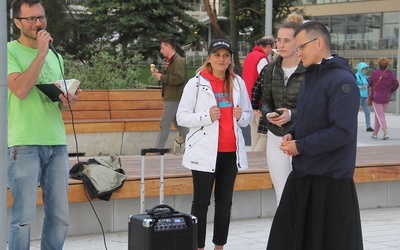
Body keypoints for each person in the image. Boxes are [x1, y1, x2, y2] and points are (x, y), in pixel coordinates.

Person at [267, 21, 363, 250]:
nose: (298, 52)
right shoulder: (311, 76)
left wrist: (301, 146)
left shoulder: (342, 81)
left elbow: (342, 132)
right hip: (304, 175)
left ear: (319, 43)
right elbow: (309, 117)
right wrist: (292, 134)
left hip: (330, 182)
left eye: (302, 46)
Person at [7, 0, 80, 249]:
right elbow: (20, 90)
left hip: (56, 142)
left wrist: (66, 99)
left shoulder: (54, 55)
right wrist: (40, 53)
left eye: (42, 17)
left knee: (60, 217)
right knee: (23, 219)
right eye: (31, 19)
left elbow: (55, 102)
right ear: (17, 22)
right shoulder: (9, 52)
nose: (39, 23)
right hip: (24, 143)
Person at [176, 39, 253, 250]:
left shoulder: (238, 83)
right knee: (201, 203)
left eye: (226, 55)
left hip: (231, 153)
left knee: (225, 203)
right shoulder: (196, 83)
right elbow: (181, 117)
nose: (221, 59)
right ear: (209, 58)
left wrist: (240, 116)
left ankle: (219, 247)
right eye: (217, 55)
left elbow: (247, 116)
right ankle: (198, 247)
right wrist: (206, 116)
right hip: (204, 152)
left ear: (230, 59)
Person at [260, 12, 305, 206]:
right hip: (275, 136)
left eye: (287, 40)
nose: (281, 44)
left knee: (301, 193)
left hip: (301, 136)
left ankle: (303, 235)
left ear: (298, 43)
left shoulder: (308, 68)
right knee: (282, 193)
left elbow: (315, 106)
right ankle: (284, 236)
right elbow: (265, 101)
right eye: (279, 40)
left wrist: (292, 114)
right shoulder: (271, 68)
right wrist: (269, 114)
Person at [151, 37, 189, 149]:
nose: (161, 50)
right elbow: (173, 76)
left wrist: (161, 77)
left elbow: (179, 78)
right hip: (173, 96)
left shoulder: (178, 61)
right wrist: (160, 74)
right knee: (179, 123)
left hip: (174, 97)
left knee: (164, 123)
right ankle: (194, 145)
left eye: (162, 48)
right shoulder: (172, 61)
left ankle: (158, 149)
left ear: (169, 47)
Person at [242, 35, 275, 151]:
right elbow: (264, 80)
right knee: (264, 135)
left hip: (248, 101)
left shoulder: (249, 56)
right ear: (268, 46)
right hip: (259, 102)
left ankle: (252, 163)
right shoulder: (261, 59)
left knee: (254, 135)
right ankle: (258, 160)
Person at [368, 57, 399, 140]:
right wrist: (390, 91)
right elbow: (396, 84)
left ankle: (385, 133)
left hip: (376, 97)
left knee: (380, 115)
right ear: (387, 65)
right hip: (386, 97)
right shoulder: (391, 74)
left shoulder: (374, 73)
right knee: (378, 115)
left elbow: (369, 83)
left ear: (378, 64)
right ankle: (375, 133)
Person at [356, 62, 373, 132]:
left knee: (367, 112)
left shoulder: (365, 77)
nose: (364, 70)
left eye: (365, 69)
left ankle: (368, 126)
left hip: (365, 96)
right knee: (355, 112)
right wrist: (360, 87)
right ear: (360, 69)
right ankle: (353, 125)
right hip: (359, 96)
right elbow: (353, 84)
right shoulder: (356, 76)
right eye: (363, 69)